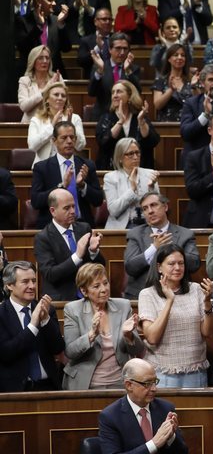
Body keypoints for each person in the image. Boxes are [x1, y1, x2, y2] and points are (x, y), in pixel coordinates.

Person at [98, 358, 189, 454]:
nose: (154, 388)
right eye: (147, 384)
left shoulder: (165, 408)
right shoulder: (110, 416)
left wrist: (171, 437)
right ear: (129, 385)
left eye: (155, 382)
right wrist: (154, 444)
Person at [138, 244, 213, 386]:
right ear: (159, 267)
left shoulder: (196, 289)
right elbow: (152, 337)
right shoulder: (148, 294)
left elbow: (208, 333)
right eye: (171, 263)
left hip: (195, 370)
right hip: (164, 373)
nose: (178, 268)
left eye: (181, 263)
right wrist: (170, 300)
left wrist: (208, 302)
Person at [63, 263, 144, 390]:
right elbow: (70, 352)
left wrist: (128, 335)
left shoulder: (123, 306)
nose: (104, 289)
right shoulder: (73, 310)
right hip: (87, 384)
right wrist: (91, 335)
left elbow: (137, 350)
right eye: (96, 286)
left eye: (105, 283)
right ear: (84, 291)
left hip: (120, 382)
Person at [0, 261, 65, 392]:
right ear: (9, 285)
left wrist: (46, 320)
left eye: (34, 281)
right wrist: (33, 325)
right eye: (25, 282)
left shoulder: (47, 309)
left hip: (48, 386)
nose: (32, 286)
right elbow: (6, 353)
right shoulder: (2, 314)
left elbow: (58, 348)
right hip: (14, 390)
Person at [123, 193, 201, 299]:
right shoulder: (135, 234)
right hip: (141, 294)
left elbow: (194, 264)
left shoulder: (185, 234)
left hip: (178, 294)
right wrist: (154, 248)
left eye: (154, 205)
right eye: (145, 208)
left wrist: (170, 249)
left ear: (165, 207)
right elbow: (131, 267)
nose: (150, 211)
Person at [30, 123, 103, 229]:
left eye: (72, 137)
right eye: (64, 138)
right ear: (54, 141)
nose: (69, 141)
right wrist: (62, 186)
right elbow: (36, 201)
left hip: (82, 225)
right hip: (53, 228)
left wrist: (82, 185)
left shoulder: (86, 165)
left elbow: (98, 200)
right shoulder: (42, 168)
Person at [95, 79, 160, 169]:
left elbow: (152, 141)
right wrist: (120, 122)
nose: (115, 95)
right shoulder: (106, 118)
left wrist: (141, 121)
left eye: (119, 92)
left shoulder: (139, 117)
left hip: (139, 168)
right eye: (113, 92)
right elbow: (103, 142)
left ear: (129, 96)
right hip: (113, 169)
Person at [27, 81, 86, 166]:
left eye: (63, 96)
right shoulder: (36, 120)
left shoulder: (74, 118)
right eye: (56, 94)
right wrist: (52, 125)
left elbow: (81, 146)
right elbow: (32, 146)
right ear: (47, 99)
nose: (60, 98)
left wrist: (70, 125)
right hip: (43, 167)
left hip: (68, 166)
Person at [87, 32, 141, 121]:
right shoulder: (99, 66)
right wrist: (100, 71)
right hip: (103, 116)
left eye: (125, 49)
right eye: (118, 48)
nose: (122, 52)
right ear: (110, 49)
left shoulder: (133, 68)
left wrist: (128, 71)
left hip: (127, 116)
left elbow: (138, 92)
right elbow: (91, 92)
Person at [15, 0, 69, 76]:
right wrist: (39, 26)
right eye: (50, 0)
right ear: (39, 1)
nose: (54, 4)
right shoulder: (23, 20)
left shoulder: (56, 20)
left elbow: (66, 48)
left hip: (55, 73)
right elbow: (22, 47)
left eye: (54, 0)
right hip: (30, 74)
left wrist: (60, 25)